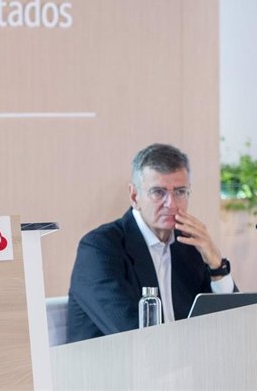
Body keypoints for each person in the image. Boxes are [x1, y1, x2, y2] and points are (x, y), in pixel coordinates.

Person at [67, 143, 236, 343]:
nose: (171, 204)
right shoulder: (99, 248)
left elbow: (234, 322)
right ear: (134, 196)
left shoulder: (188, 245)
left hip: (182, 366)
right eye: (158, 192)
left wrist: (216, 266)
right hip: (116, 369)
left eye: (180, 192)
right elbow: (131, 334)